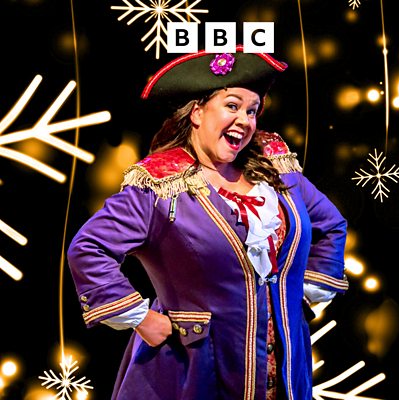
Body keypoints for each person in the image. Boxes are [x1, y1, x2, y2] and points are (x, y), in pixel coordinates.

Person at [67, 45, 349, 400]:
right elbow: (89, 248)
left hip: (286, 373)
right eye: (232, 106)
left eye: (252, 110)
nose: (245, 120)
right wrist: (140, 318)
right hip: (194, 372)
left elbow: (331, 225)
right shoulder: (161, 185)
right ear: (197, 112)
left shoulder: (277, 174)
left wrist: (300, 294)